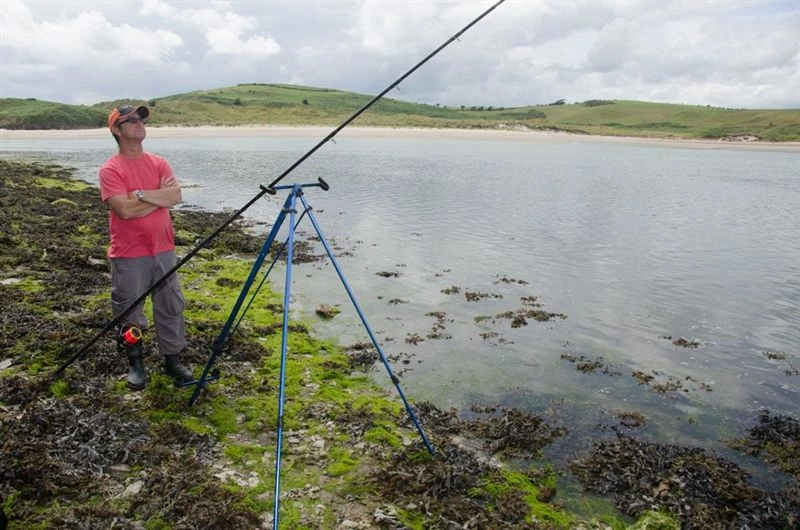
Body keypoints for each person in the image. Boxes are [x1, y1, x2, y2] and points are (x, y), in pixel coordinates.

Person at [98, 104, 193, 390]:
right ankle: (135, 362)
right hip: (129, 253)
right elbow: (124, 211)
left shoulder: (159, 163)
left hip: (163, 249)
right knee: (129, 311)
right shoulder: (110, 169)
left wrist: (139, 195)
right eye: (131, 121)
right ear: (116, 130)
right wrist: (157, 197)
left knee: (171, 305)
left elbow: (175, 196)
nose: (140, 124)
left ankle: (173, 360)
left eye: (141, 119)